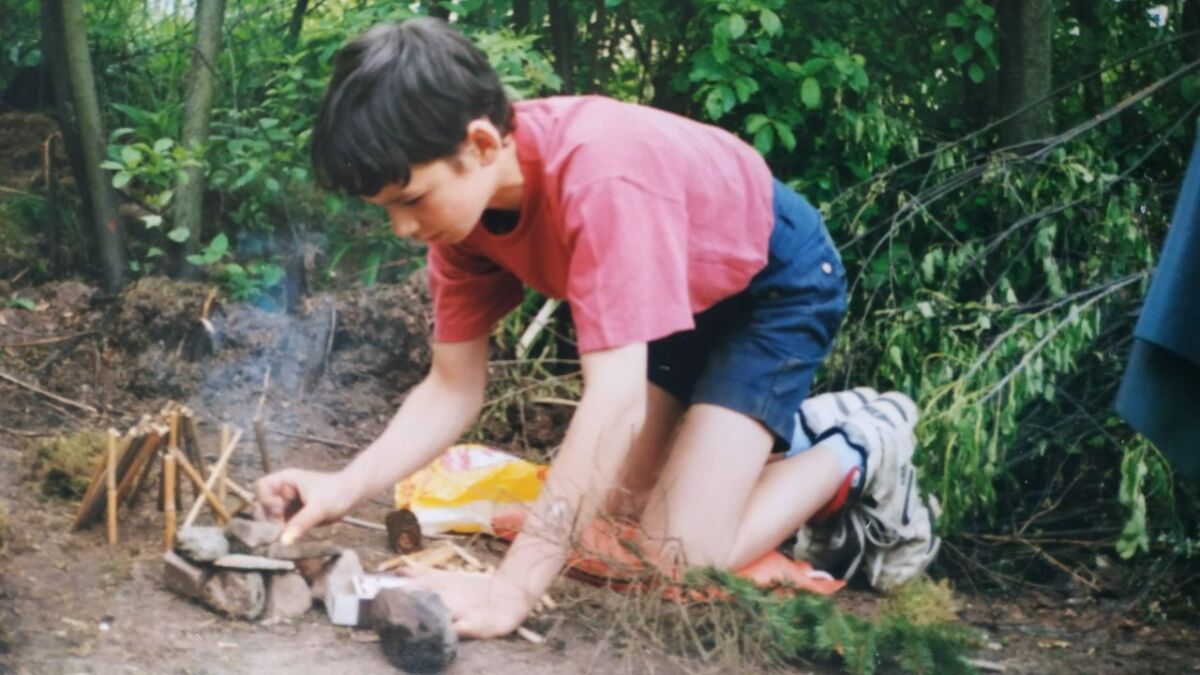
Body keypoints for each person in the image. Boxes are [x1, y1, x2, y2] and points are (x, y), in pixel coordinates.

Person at [255, 17, 934, 638]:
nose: (402, 228)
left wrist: (509, 590)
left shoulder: (602, 180)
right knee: (620, 516)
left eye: (409, 200)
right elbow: (451, 386)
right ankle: (753, 446)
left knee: (681, 556)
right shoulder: (460, 223)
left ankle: (858, 441)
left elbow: (615, 403)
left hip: (771, 283)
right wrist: (344, 485)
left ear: (482, 143)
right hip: (673, 294)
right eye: (387, 210)